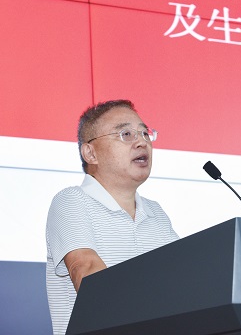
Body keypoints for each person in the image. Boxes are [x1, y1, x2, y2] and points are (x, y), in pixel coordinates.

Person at [45, 99, 179, 335]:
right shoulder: (72, 200)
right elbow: (88, 274)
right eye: (126, 134)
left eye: (145, 133)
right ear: (91, 153)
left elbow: (184, 282)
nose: (142, 142)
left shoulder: (156, 213)